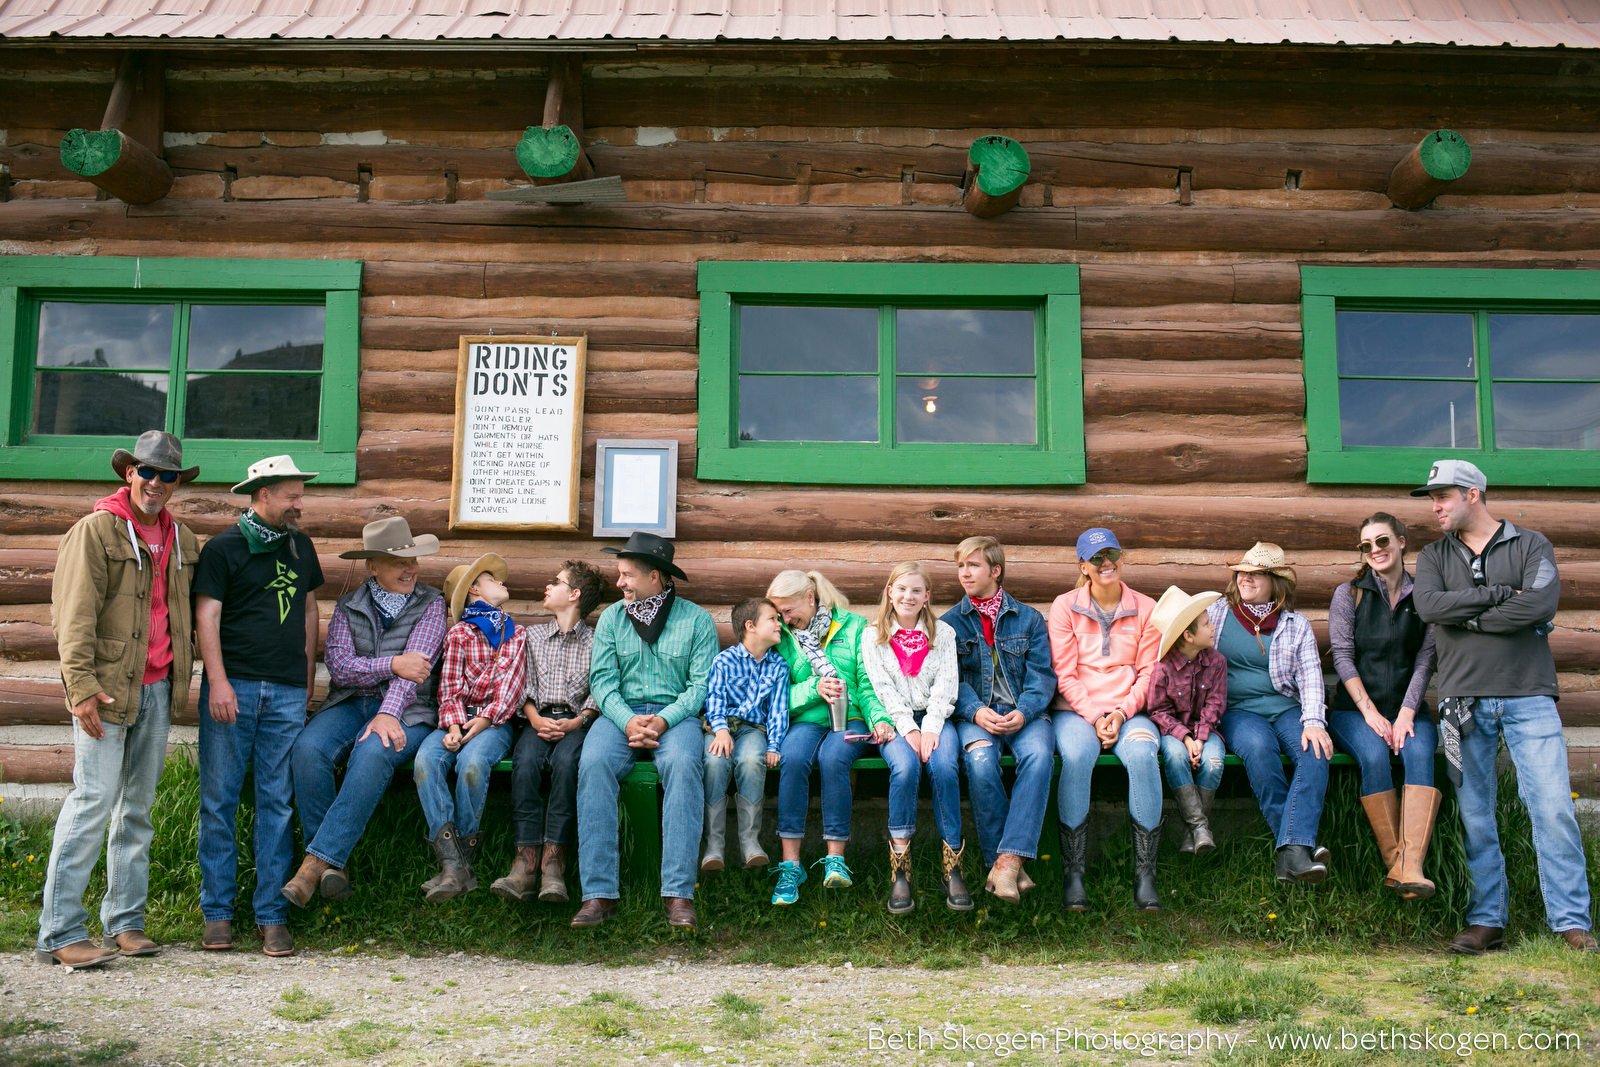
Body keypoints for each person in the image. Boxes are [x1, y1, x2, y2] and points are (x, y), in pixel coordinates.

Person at [1410, 460, 1596, 955]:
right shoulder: (1432, 555)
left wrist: (1465, 616)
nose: (1434, 507)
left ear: (1472, 494)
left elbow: (1538, 606)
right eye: (1431, 498)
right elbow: (1429, 608)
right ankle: (1486, 918)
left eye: (1442, 496)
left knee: (1552, 808)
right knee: (1475, 813)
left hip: (1528, 695)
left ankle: (1572, 922)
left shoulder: (1531, 545)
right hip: (1460, 702)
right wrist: (1494, 598)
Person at [37, 431, 200, 969]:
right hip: (105, 691)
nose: (156, 483)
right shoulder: (95, 531)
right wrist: (79, 688)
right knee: (91, 804)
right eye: (147, 472)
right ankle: (59, 931)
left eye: (167, 475)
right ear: (128, 472)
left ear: (177, 484)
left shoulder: (181, 539)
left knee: (137, 811)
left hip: (156, 688)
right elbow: (72, 614)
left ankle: (125, 922)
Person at [193, 455, 322, 958]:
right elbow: (208, 616)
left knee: (276, 803)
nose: (299, 503)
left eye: (299, 494)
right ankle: (217, 914)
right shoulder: (223, 548)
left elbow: (309, 608)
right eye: (291, 495)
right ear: (262, 494)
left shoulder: (300, 545)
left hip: (288, 691)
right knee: (219, 801)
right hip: (234, 689)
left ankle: (272, 916)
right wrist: (218, 683)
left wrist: (308, 677)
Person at [282, 518, 445, 910]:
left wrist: (389, 711)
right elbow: (340, 667)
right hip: (350, 701)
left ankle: (314, 865)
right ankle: (335, 867)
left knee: (374, 751)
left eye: (413, 561)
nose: (411, 569)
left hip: (409, 708)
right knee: (307, 750)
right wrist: (392, 664)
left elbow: (417, 670)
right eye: (397, 562)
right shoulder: (348, 606)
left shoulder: (432, 603)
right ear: (372, 566)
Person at [573, 534, 718, 930]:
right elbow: (602, 682)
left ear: (655, 576)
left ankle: (677, 894)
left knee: (686, 766)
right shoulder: (611, 619)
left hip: (677, 718)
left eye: (626, 575)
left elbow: (700, 686)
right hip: (620, 716)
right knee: (594, 765)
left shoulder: (696, 620)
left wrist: (664, 720)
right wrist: (627, 721)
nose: (619, 583)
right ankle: (599, 895)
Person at [1048, 528, 1164, 912]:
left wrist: (1119, 712)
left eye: (1111, 553)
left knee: (1145, 754)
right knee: (1078, 758)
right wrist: (1097, 715)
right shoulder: (1065, 606)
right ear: (1083, 567)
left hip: (1130, 710)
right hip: (1077, 711)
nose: (1106, 563)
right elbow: (1064, 674)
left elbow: (1149, 673)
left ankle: (1146, 874)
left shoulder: (1146, 608)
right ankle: (1074, 873)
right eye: (1096, 558)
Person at [1327, 512, 1440, 899]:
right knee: (1374, 755)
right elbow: (1342, 657)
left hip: (1408, 709)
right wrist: (1371, 713)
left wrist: (1407, 713)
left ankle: (1411, 866)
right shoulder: (1350, 594)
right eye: (1366, 545)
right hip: (1353, 711)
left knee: (1420, 751)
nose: (1375, 550)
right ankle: (1398, 863)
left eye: (1383, 541)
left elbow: (1426, 659)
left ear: (1402, 542)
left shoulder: (1424, 596)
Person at [1207, 542, 1332, 885]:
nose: (1245, 578)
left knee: (1315, 751)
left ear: (1275, 582)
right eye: (1242, 572)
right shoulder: (1216, 613)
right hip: (1237, 711)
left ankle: (1290, 854)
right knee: (1260, 750)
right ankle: (1298, 848)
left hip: (1286, 708)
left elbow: (1310, 679)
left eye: (1256, 573)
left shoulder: (1296, 625)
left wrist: (1313, 723)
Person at [941, 536, 1057, 906]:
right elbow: (949, 680)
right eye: (961, 566)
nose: (965, 573)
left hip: (1027, 713)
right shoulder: (948, 624)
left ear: (995, 571)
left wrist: (1024, 711)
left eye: (973, 566)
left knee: (1039, 757)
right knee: (979, 762)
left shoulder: (1029, 618)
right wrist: (975, 711)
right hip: (976, 715)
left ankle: (1006, 862)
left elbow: (1042, 676)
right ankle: (1004, 864)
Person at [766, 570, 891, 907]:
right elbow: (776, 696)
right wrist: (813, 688)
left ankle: (836, 859)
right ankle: (790, 865)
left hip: (851, 717)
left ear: (810, 597)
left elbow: (868, 680)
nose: (784, 619)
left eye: (788, 610)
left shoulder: (852, 626)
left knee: (834, 758)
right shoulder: (782, 637)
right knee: (791, 757)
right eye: (779, 613)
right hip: (806, 719)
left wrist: (878, 718)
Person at [492, 560, 609, 905]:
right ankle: (524, 862)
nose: (547, 586)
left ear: (573, 595)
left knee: (567, 765)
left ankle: (553, 863)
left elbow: (600, 685)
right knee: (525, 762)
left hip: (575, 722)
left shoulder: (596, 640)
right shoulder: (533, 637)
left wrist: (580, 720)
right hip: (537, 718)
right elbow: (522, 683)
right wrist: (532, 717)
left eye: (555, 582)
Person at [414, 554, 527, 902]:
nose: (502, 583)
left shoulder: (515, 633)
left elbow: (512, 686)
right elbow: (447, 686)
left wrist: (484, 721)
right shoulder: (459, 634)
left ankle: (456, 868)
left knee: (472, 765)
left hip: (494, 723)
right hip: (455, 718)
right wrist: (450, 725)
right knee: (426, 763)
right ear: (476, 589)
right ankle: (456, 868)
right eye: (494, 579)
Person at [861, 562, 968, 913]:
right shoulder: (873, 634)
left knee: (944, 767)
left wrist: (932, 727)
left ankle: (953, 868)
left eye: (916, 591)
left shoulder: (944, 634)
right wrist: (909, 729)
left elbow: (947, 684)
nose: (908, 596)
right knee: (905, 769)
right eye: (901, 589)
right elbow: (882, 688)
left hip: (937, 717)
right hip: (896, 721)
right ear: (889, 592)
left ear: (926, 598)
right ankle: (900, 872)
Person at [700, 597, 788, 874]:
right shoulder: (724, 660)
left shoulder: (779, 666)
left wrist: (773, 745)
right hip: (719, 726)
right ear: (750, 626)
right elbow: (714, 698)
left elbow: (777, 710)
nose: (779, 624)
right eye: (772, 619)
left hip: (754, 729)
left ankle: (750, 841)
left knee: (752, 760)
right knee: (714, 761)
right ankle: (714, 845)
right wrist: (722, 729)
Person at [1144, 586, 1226, 857]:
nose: (1213, 627)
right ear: (1188, 636)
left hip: (1207, 731)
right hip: (1173, 733)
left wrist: (1200, 738)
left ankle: (1193, 832)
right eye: (1206, 623)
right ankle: (1200, 828)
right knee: (1177, 757)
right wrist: (1186, 738)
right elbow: (1158, 712)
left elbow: (1215, 704)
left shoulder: (1216, 662)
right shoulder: (1163, 669)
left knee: (1213, 763)